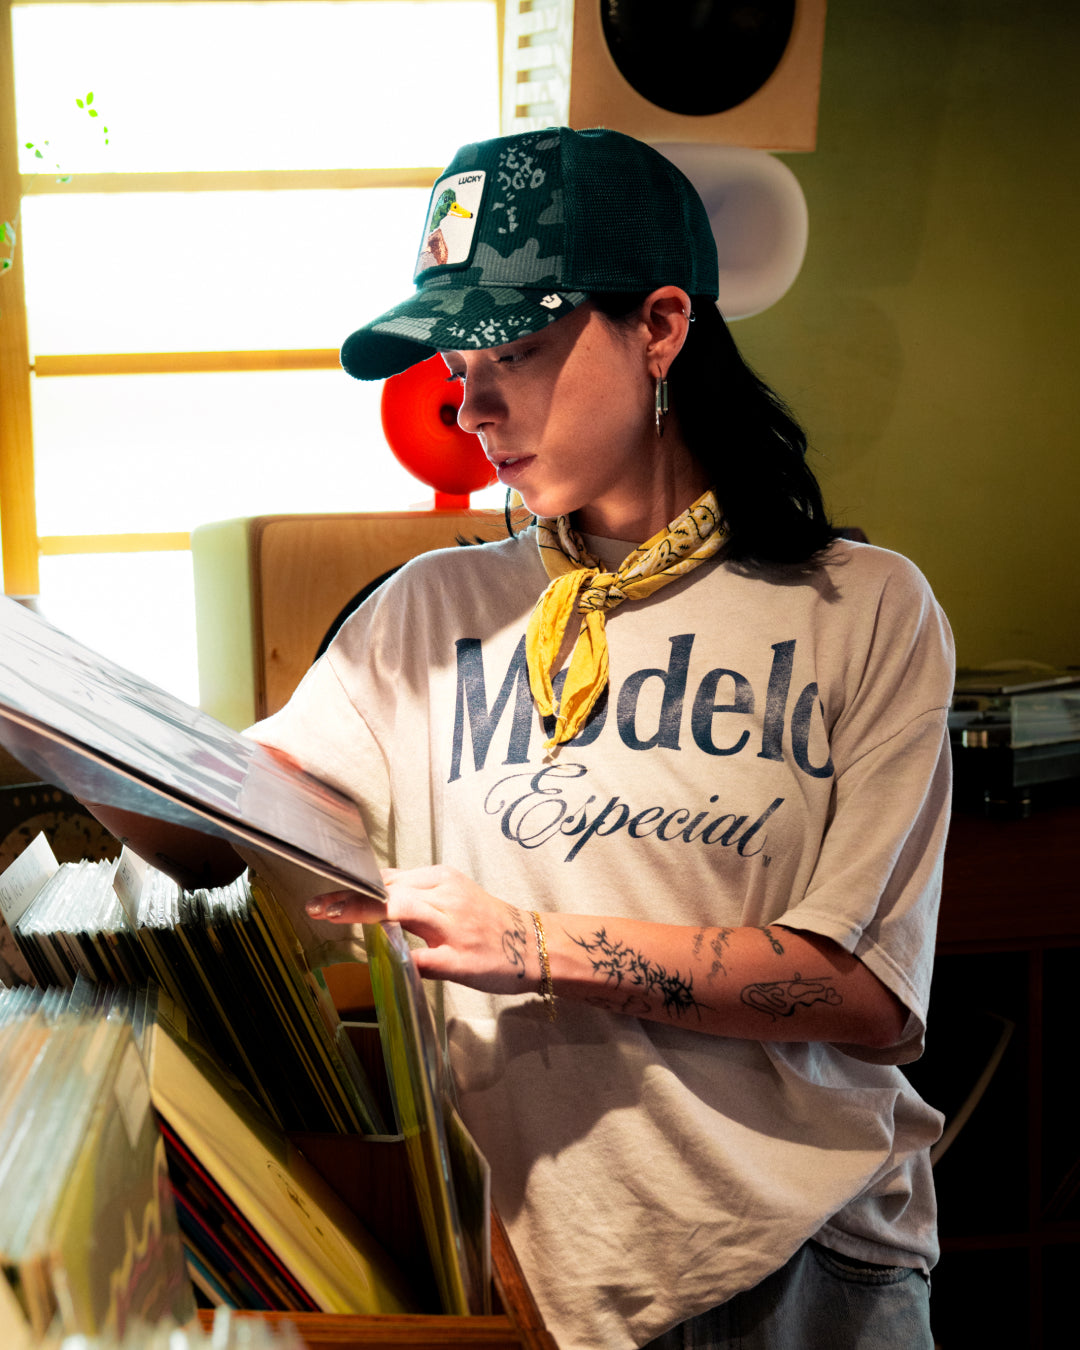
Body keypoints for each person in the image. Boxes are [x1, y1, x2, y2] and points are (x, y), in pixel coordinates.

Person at [253, 127, 955, 1349]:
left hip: (811, 1269)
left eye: (513, 353)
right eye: (456, 364)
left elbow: (868, 1000)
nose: (467, 406)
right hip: (550, 1283)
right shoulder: (425, 615)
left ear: (663, 328)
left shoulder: (865, 610)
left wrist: (528, 942)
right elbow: (223, 820)